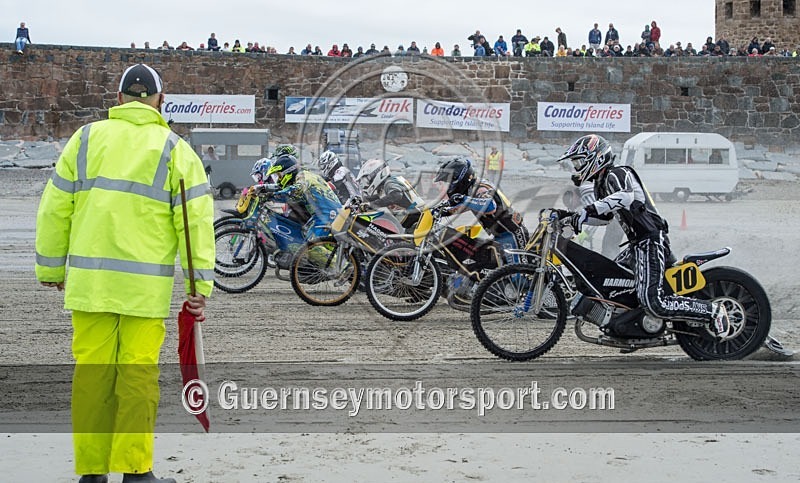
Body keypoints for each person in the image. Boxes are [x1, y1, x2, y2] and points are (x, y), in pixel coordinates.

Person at [35, 63, 214, 483]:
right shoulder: (175, 150)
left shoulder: (84, 141)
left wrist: (50, 266)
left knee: (93, 377)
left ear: (117, 100)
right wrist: (197, 286)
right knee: (137, 377)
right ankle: (135, 472)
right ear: (160, 101)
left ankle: (92, 473)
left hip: (90, 286)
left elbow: (55, 208)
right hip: (142, 292)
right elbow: (194, 225)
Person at [558, 134, 732, 340]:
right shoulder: (601, 184)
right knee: (611, 282)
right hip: (636, 244)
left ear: (595, 158)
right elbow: (605, 218)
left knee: (653, 301)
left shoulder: (617, 173)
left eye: (579, 162)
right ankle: (629, 327)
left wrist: (586, 211)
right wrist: (573, 218)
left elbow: (626, 197)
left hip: (649, 240)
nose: (577, 167)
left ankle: (712, 311)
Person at [434, 156, 528, 263]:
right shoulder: (472, 188)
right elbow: (468, 206)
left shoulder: (480, 187)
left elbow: (490, 207)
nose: (449, 186)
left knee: (515, 273)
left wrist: (464, 199)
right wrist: (446, 211)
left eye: (449, 182)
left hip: (512, 234)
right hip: (500, 235)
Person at [262, 154, 342, 238]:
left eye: (279, 175)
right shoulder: (307, 174)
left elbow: (295, 190)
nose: (279, 179)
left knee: (310, 246)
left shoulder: (302, 176)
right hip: (327, 213)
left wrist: (273, 194)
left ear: (288, 171)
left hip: (326, 214)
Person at [357, 159, 425, 229]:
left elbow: (396, 195)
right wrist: (363, 202)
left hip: (415, 220)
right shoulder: (389, 183)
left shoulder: (389, 182)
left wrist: (372, 204)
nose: (367, 184)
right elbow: (381, 198)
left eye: (368, 180)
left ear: (378, 174)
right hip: (415, 218)